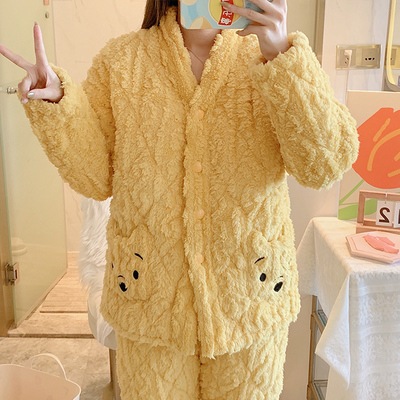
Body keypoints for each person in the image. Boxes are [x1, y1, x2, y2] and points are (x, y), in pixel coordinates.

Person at [0, 0, 359, 398]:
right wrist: (56, 105)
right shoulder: (121, 62)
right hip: (151, 305)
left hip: (249, 298)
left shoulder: (267, 56)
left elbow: (325, 165)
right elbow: (95, 178)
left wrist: (283, 57)